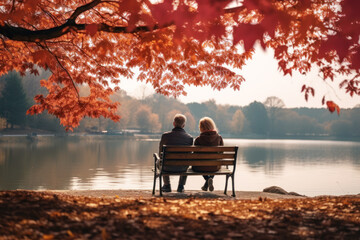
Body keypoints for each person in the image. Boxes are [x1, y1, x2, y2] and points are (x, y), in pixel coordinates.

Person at [158, 113, 193, 193]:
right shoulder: (189, 138)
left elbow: (160, 153)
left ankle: (167, 185)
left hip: (167, 167)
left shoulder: (165, 136)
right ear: (184, 125)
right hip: (183, 168)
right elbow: (189, 156)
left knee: (160, 161)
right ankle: (181, 186)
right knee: (186, 161)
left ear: (173, 123)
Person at [192, 117, 224, 192]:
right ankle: (209, 180)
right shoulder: (219, 138)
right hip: (215, 167)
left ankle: (207, 179)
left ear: (201, 127)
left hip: (200, 167)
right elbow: (221, 153)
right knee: (215, 163)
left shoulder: (198, 139)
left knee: (200, 164)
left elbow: (195, 155)